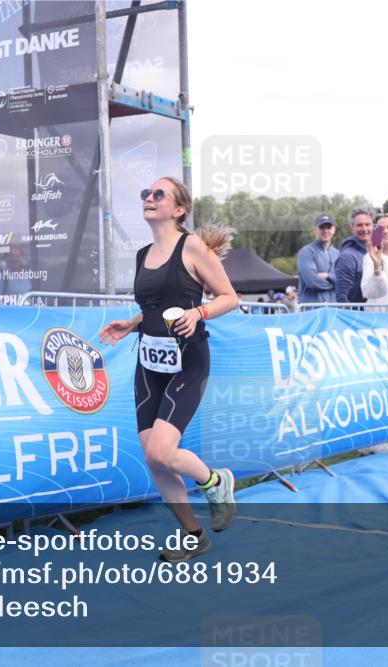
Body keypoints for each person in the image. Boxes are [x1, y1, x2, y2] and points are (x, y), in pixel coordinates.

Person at [99, 176, 240, 562]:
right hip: (150, 362)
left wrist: (199, 312)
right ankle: (194, 535)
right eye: (146, 193)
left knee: (163, 451)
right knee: (153, 457)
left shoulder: (192, 247)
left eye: (158, 194)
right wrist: (132, 323)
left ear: (178, 210)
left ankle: (215, 482)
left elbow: (230, 297)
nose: (149, 198)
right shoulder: (143, 254)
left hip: (188, 361)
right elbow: (155, 307)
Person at [296, 214, 339, 304]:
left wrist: (327, 275)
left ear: (334, 230)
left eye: (328, 227)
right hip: (311, 312)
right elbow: (312, 281)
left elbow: (343, 280)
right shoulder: (306, 252)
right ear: (315, 230)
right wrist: (334, 282)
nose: (325, 230)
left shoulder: (338, 254)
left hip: (333, 310)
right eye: (322, 227)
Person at [334, 207, 374, 303]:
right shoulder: (347, 257)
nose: (364, 229)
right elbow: (342, 297)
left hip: (374, 314)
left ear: (373, 226)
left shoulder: (375, 253)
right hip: (357, 316)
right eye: (359, 225)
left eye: (367, 224)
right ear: (352, 229)